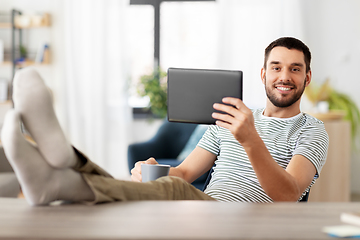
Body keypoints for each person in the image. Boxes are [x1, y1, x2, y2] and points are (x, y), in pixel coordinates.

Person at [1, 37, 328, 206]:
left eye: (295, 69)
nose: (284, 76)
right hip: (206, 208)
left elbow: (288, 195)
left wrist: (250, 140)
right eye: (276, 67)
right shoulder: (233, 118)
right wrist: (154, 170)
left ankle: (63, 172)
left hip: (252, 219)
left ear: (307, 76)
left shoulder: (312, 130)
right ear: (263, 73)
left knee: (170, 190)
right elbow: (185, 173)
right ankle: (65, 164)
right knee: (154, 184)